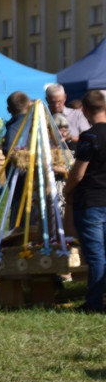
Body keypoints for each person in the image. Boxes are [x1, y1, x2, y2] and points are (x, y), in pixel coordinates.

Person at [64, 90, 106, 312]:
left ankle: (94, 302)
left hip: (91, 202)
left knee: (96, 255)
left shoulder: (89, 137)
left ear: (86, 111)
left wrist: (67, 191)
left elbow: (78, 173)